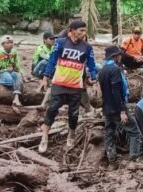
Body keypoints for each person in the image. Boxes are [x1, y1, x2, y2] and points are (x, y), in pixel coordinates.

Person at [38, 20, 98, 154]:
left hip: (75, 85)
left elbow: (92, 66)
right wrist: (45, 77)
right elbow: (52, 60)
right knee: (52, 109)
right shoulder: (60, 43)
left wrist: (94, 82)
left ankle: (71, 133)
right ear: (71, 31)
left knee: (74, 113)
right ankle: (44, 136)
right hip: (59, 83)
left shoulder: (87, 48)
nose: (84, 33)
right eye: (81, 30)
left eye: (84, 30)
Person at [98, 46, 142, 166]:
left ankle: (112, 160)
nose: (121, 57)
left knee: (110, 133)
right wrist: (122, 111)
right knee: (134, 132)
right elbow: (116, 92)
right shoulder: (115, 70)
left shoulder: (102, 70)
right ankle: (134, 160)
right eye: (119, 55)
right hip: (117, 107)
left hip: (106, 107)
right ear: (115, 56)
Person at [0, 35, 23, 107]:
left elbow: (18, 65)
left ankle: (16, 99)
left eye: (11, 42)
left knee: (18, 76)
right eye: (8, 43)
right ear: (2, 44)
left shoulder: (14, 52)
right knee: (11, 81)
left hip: (11, 72)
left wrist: (20, 74)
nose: (10, 44)